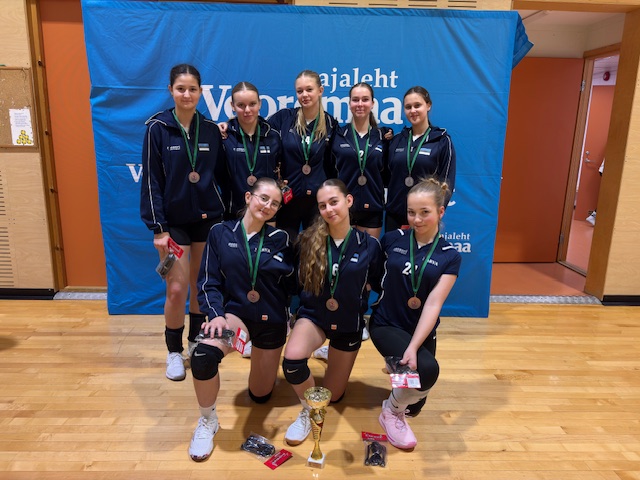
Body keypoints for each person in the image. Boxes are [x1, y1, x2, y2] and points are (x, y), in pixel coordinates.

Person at [189, 178, 295, 462]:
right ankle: (208, 420)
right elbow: (208, 281)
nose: (268, 206)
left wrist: (296, 318)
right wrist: (216, 315)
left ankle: (257, 356)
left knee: (260, 395)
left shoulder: (282, 239)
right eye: (263, 198)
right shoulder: (220, 232)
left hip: (271, 322)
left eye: (275, 203)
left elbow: (294, 286)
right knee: (203, 356)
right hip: (235, 319)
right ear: (248, 197)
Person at [141, 64, 229, 381]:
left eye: (192, 89)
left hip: (207, 220)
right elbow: (151, 181)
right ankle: (174, 352)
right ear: (171, 91)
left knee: (200, 287)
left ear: (201, 92)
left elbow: (223, 175)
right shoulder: (157, 128)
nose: (187, 94)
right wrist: (159, 228)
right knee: (177, 289)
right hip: (174, 224)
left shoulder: (211, 130)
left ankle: (195, 342)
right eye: (181, 89)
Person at [281, 179, 383, 446]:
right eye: (322, 205)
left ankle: (330, 354)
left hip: (348, 322)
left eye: (334, 202)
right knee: (292, 362)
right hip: (314, 317)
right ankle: (309, 411)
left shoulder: (369, 245)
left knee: (334, 396)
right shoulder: (307, 240)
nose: (329, 209)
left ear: (348, 201)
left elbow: (379, 283)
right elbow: (293, 284)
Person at [369, 177, 461, 450]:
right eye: (411, 212)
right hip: (386, 323)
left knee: (415, 403)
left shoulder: (450, 255)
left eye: (424, 212)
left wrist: (412, 347)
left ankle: (398, 382)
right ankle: (389, 413)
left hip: (419, 329)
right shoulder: (391, 240)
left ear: (440, 211)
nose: (417, 219)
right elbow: (373, 278)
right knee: (428, 369)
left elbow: (433, 304)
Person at [267, 70, 338, 242]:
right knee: (284, 248)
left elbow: (334, 164)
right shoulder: (284, 118)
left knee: (315, 251)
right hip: (288, 199)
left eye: (309, 89)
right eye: (300, 91)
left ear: (320, 90)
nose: (304, 95)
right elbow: (255, 129)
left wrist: (382, 132)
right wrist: (229, 125)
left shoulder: (330, 124)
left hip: (317, 202)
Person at [385, 86, 456, 231]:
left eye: (417, 105)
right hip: (395, 217)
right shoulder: (397, 140)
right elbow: (387, 177)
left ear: (428, 105)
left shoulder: (442, 141)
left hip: (424, 218)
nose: (413, 111)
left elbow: (446, 183)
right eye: (408, 107)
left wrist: (435, 213)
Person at [332, 82, 388, 240]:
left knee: (368, 253)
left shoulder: (382, 137)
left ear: (372, 103)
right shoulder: (338, 135)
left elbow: (386, 174)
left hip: (373, 208)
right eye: (355, 100)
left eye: (365, 99)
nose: (360, 104)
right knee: (342, 253)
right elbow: (330, 170)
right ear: (349, 103)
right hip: (343, 207)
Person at [223, 82, 282, 218]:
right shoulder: (225, 136)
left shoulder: (273, 136)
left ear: (259, 104)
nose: (247, 110)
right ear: (232, 106)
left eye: (252, 104)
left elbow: (279, 171)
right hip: (233, 211)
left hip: (267, 212)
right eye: (241, 105)